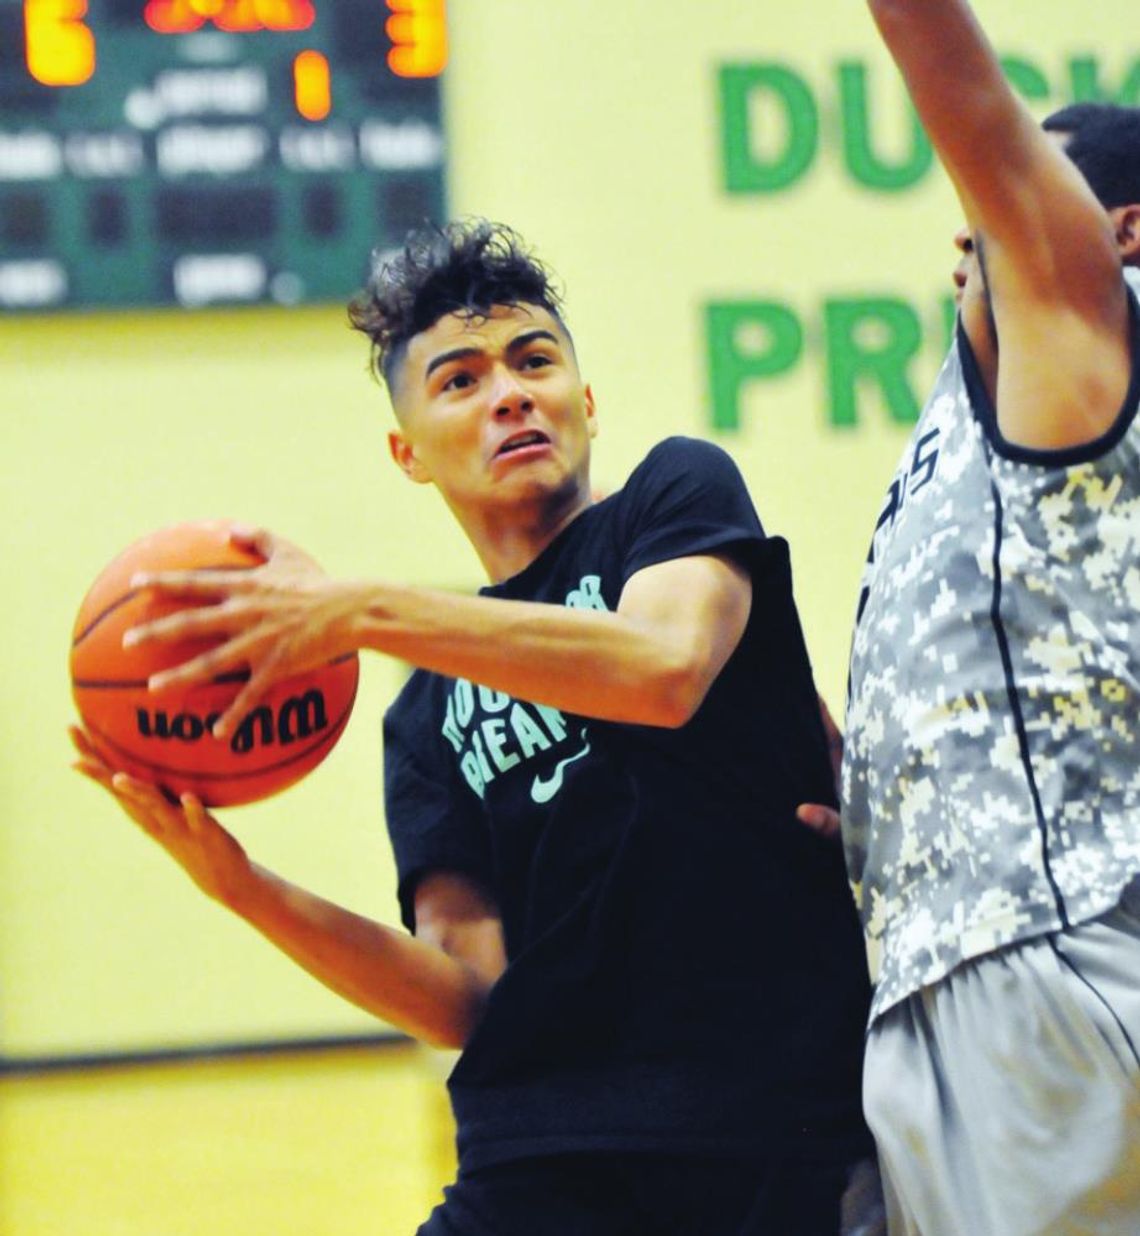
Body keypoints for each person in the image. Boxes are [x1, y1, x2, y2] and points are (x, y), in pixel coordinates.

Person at [71, 220, 882, 1234]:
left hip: (753, 1129)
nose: (509, 393)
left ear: (584, 402)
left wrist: (364, 608)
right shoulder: (424, 712)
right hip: (534, 1151)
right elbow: (466, 998)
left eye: (534, 362)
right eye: (459, 381)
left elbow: (665, 670)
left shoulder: (673, 499)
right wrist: (241, 887)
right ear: (408, 453)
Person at [816, 2, 1140, 1231]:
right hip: (955, 962)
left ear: (1118, 232)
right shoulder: (985, 408)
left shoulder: (1079, 326)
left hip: (1048, 960)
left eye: (1016, 191)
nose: (969, 219)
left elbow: (952, 74)